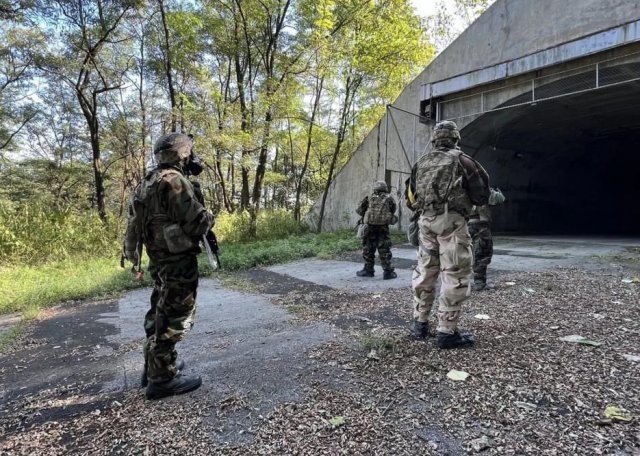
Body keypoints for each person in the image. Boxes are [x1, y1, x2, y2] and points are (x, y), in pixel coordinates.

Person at [123, 133, 214, 399]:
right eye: (190, 152)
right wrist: (209, 215)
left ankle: (154, 366)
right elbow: (197, 223)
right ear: (182, 154)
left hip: (159, 258)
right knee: (175, 313)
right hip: (177, 260)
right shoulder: (174, 181)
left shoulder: (148, 181)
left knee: (158, 309)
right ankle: (162, 379)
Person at [405, 121, 490, 349]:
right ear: (455, 139)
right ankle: (446, 332)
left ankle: (420, 324)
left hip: (426, 221)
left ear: (434, 140)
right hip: (451, 221)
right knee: (454, 272)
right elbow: (481, 195)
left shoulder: (420, 163)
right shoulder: (464, 161)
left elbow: (410, 198)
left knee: (425, 271)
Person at [355, 180, 398, 280]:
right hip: (383, 227)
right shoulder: (390, 198)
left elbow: (360, 210)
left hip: (369, 227)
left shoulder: (369, 197)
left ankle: (368, 270)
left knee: (368, 249)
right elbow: (393, 210)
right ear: (385, 188)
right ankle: (388, 272)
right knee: (384, 249)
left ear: (375, 188)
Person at [468, 188, 505, 291]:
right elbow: (500, 199)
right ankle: (479, 282)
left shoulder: (459, 187)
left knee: (462, 253)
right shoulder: (481, 187)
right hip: (480, 224)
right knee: (482, 253)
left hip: (463, 224)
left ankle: (457, 283)